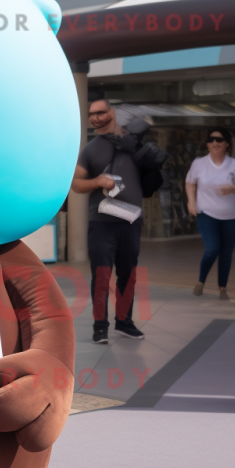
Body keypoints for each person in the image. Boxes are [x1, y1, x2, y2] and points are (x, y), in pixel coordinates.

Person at [71, 99, 145, 344]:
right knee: (102, 275)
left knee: (128, 274)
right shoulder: (89, 150)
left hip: (131, 219)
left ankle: (124, 323)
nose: (95, 118)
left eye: (100, 113)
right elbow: (76, 184)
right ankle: (100, 327)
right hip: (102, 221)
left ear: (112, 113)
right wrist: (98, 182)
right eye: (91, 114)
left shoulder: (134, 144)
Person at [185, 128, 235, 300]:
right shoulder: (199, 163)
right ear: (207, 144)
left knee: (226, 252)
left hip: (232, 216)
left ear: (226, 144)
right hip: (206, 213)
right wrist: (191, 202)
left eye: (219, 140)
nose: (215, 143)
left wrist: (232, 188)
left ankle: (222, 287)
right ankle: (201, 281)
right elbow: (190, 183)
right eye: (211, 140)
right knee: (212, 249)